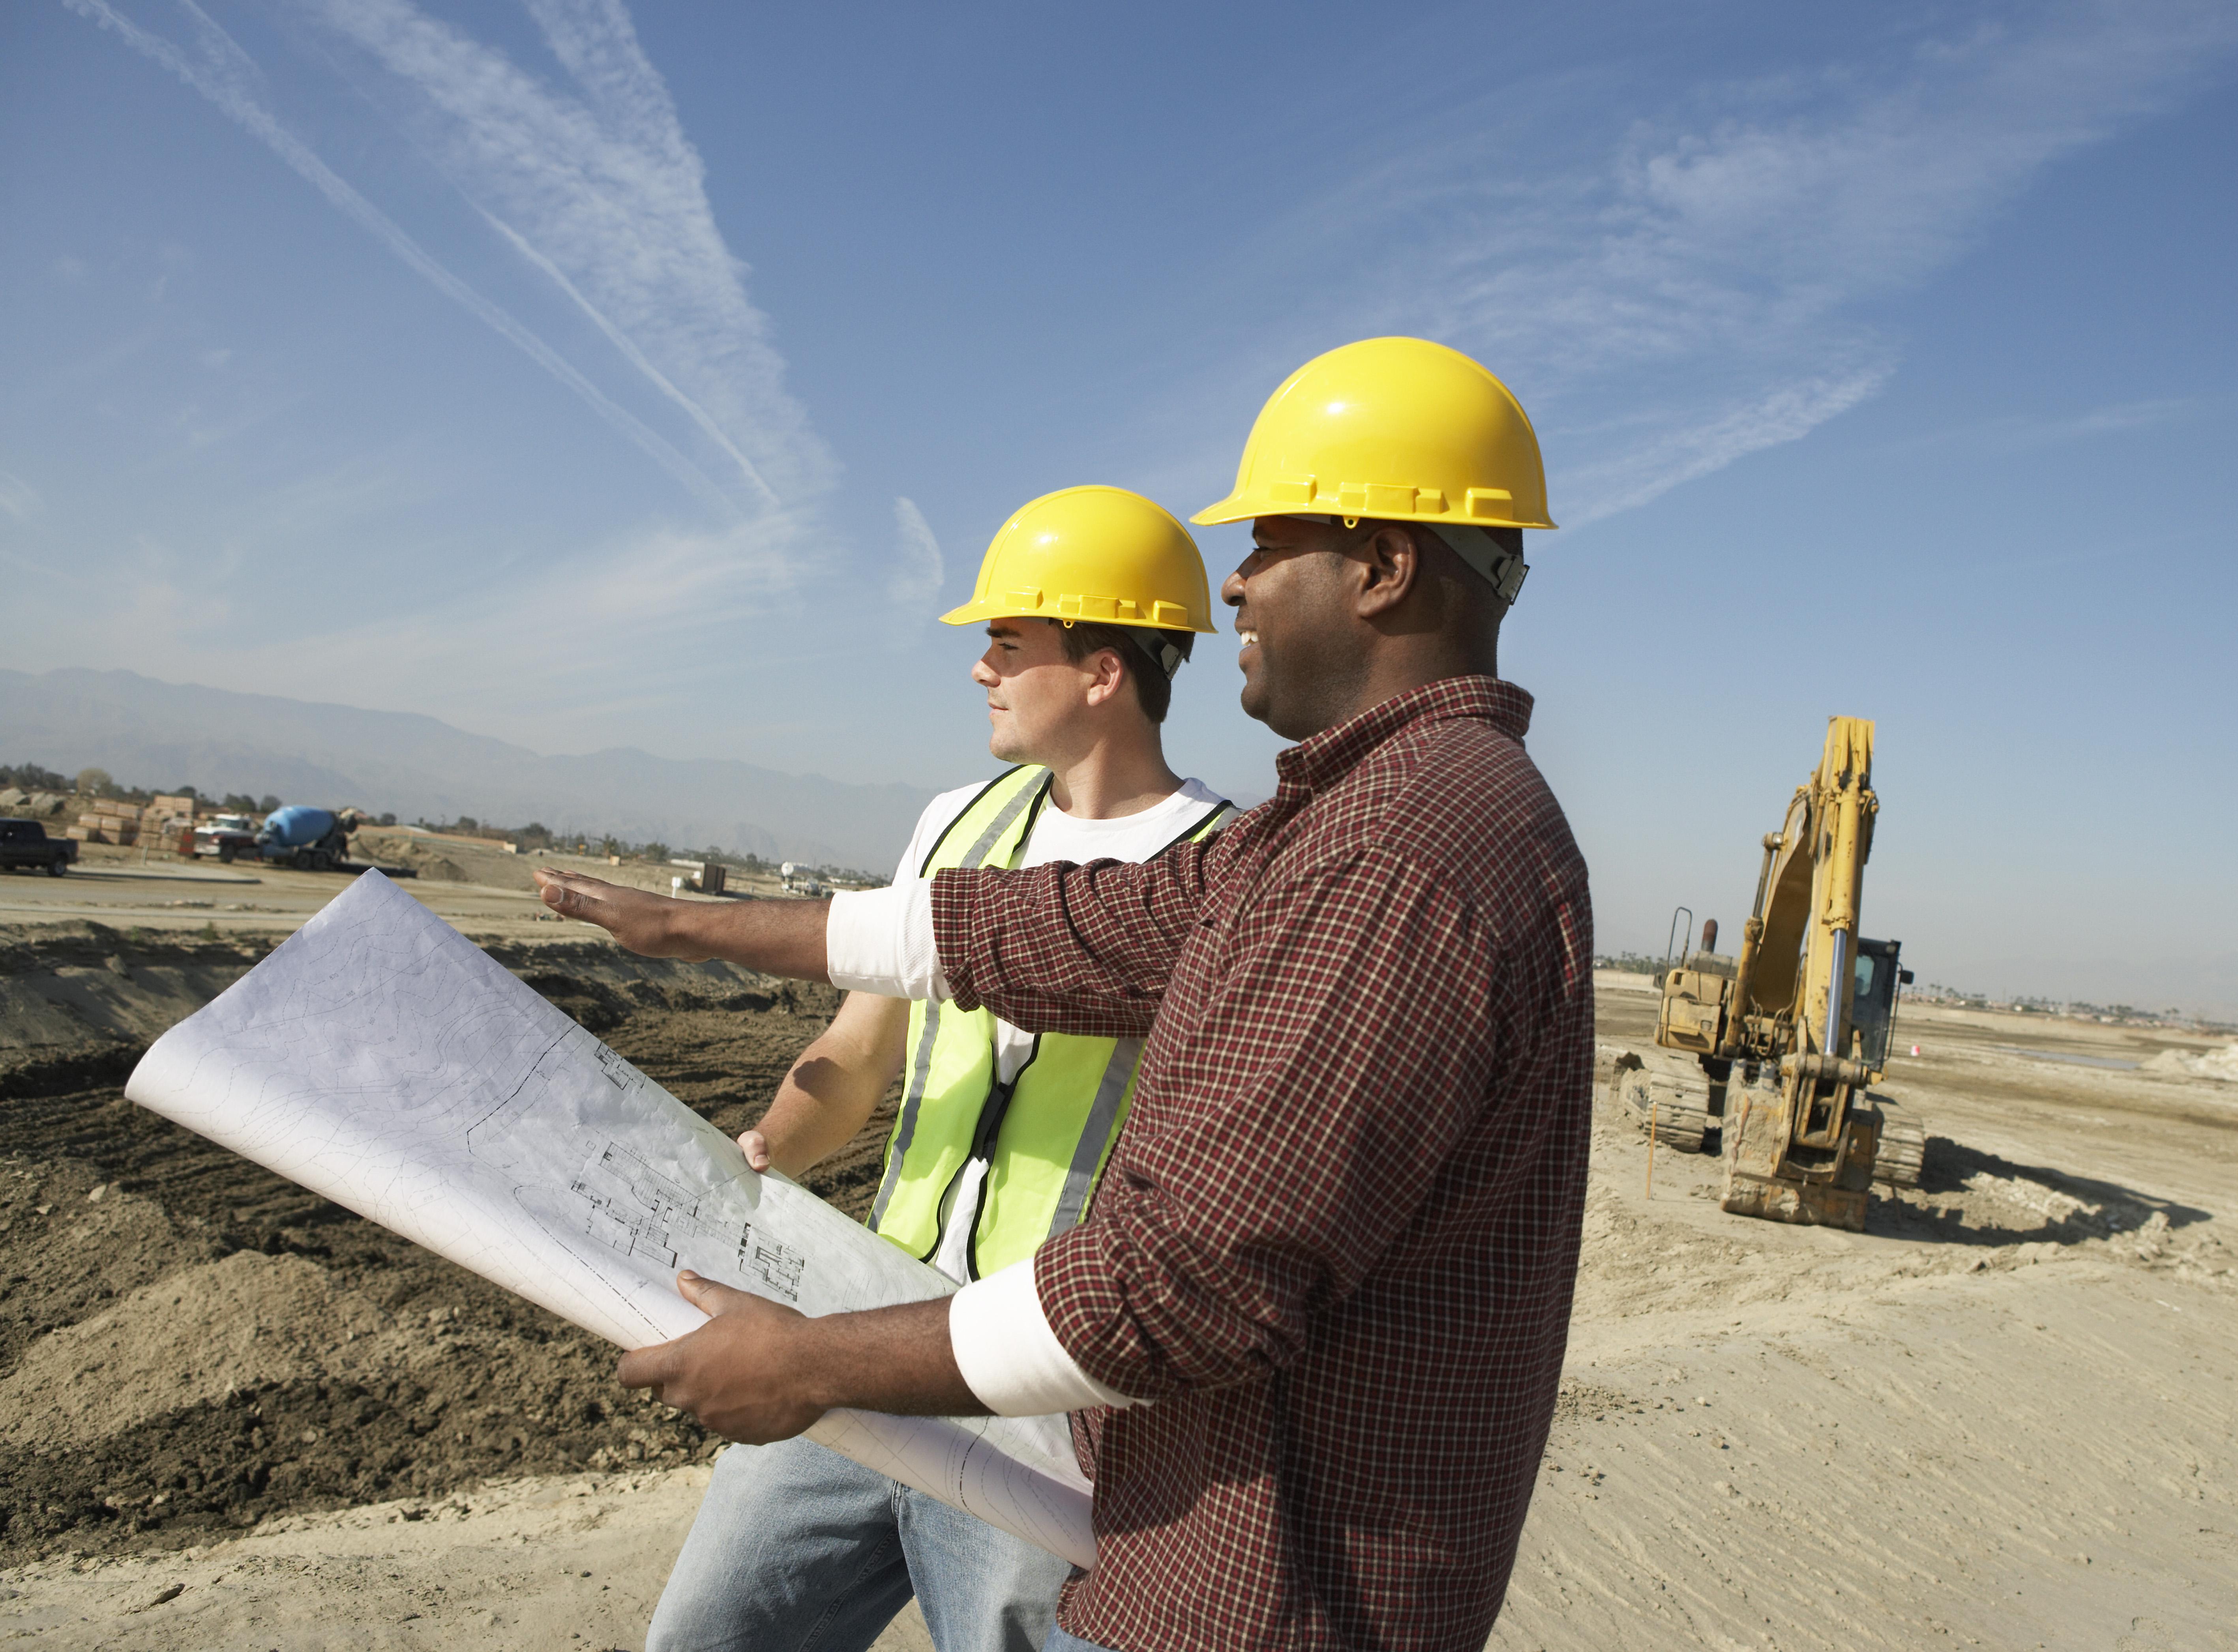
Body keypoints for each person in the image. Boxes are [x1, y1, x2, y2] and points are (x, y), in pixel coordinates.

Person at [538, 337, 1593, 1652]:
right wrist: (692, 923)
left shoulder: (1398, 853)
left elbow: (1190, 1278)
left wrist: (811, 1359)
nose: (1237, 585)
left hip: (1242, 1590)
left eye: (1269, 545)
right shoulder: (1339, 824)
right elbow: (1065, 928)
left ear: (1382, 569)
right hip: (1127, 1481)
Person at [640, 485, 1230, 1652]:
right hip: (862, 1335)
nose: (981, 668)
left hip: (1041, 1401)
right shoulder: (956, 825)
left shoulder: (1223, 874)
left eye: (1010, 642)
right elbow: (859, 1052)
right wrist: (766, 1149)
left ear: (1104, 668)